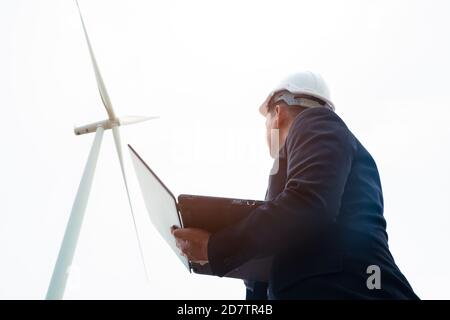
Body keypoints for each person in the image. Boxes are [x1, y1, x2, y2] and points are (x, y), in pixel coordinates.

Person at [171, 71, 419, 299]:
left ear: (277, 113)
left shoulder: (315, 121)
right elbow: (284, 239)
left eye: (265, 120)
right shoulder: (304, 161)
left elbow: (309, 205)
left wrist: (214, 247)